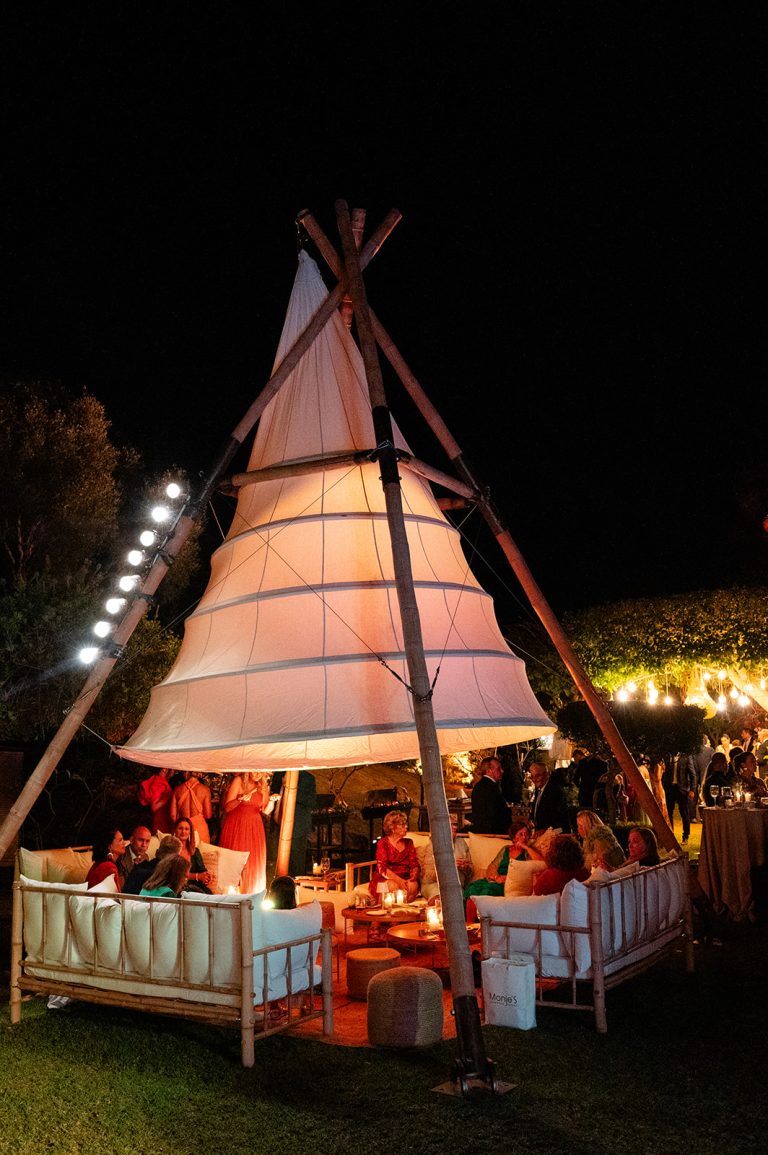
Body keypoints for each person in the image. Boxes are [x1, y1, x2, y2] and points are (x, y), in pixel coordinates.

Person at [463, 818, 544, 918]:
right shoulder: (505, 849)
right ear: (514, 838)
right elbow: (492, 866)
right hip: (496, 880)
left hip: (508, 883)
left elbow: (540, 862)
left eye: (526, 834)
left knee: (487, 891)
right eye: (521, 834)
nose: (524, 837)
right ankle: (468, 925)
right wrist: (496, 877)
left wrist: (526, 847)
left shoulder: (527, 853)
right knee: (473, 888)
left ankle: (481, 923)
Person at [219, 771, 273, 894]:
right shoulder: (238, 781)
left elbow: (265, 811)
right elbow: (227, 807)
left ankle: (252, 893)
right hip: (237, 825)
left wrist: (272, 802)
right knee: (236, 859)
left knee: (253, 862)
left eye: (261, 772)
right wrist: (240, 799)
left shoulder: (263, 786)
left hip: (255, 827)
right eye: (256, 770)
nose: (258, 774)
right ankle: (232, 893)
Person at [267, 769, 317, 878]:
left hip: (297, 828)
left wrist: (291, 789)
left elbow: (312, 801)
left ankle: (296, 890)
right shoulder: (279, 774)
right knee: (275, 860)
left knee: (296, 863)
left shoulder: (308, 778)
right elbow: (272, 792)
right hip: (278, 824)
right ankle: (277, 888)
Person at [369, 810, 420, 902]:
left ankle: (403, 912)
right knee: (393, 886)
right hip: (386, 878)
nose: (406, 827)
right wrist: (400, 881)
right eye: (402, 825)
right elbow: (382, 869)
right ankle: (388, 911)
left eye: (406, 824)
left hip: (405, 878)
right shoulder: (383, 843)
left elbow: (414, 864)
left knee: (413, 886)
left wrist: (413, 876)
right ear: (392, 828)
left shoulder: (409, 842)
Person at [469, 755, 510, 834]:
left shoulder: (480, 786)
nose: (502, 771)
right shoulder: (491, 788)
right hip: (493, 833)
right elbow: (494, 814)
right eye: (498, 769)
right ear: (488, 771)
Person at [169, 771, 213, 844]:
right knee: (200, 853)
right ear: (199, 773)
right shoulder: (205, 790)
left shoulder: (177, 790)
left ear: (186, 772)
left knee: (182, 853)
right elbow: (208, 815)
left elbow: (173, 815)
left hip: (182, 828)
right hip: (199, 828)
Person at [663, 753, 696, 844]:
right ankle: (671, 835)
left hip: (681, 789)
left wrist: (692, 790)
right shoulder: (668, 756)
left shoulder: (686, 757)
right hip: (670, 789)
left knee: (684, 813)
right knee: (669, 812)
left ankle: (685, 836)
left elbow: (692, 774)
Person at [530, 761, 571, 833]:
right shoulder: (538, 789)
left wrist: (545, 831)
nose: (534, 779)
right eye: (532, 776)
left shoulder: (555, 791)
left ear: (547, 774)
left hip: (556, 835)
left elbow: (558, 818)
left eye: (538, 776)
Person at [173, 817, 213, 891]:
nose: (183, 831)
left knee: (208, 893)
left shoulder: (195, 851)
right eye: (180, 828)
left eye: (186, 829)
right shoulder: (170, 850)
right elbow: (175, 874)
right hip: (177, 886)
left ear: (190, 832)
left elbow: (202, 871)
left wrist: (206, 877)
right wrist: (197, 876)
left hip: (195, 886)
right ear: (175, 831)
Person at [86, 825, 126, 889]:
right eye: (120, 840)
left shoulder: (99, 864)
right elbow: (115, 896)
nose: (124, 843)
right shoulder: (109, 867)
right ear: (110, 846)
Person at [137, 767, 173, 835]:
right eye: (164, 770)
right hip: (160, 819)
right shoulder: (158, 781)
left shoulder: (160, 781)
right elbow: (154, 807)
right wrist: (170, 796)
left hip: (162, 818)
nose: (171, 772)